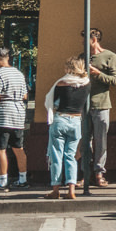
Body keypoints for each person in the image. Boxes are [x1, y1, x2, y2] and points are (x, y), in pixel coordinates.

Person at [43, 56, 89, 200]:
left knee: (56, 155)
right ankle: (71, 190)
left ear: (69, 68)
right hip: (76, 121)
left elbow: (51, 101)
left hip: (61, 119)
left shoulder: (61, 83)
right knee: (71, 156)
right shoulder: (87, 84)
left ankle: (55, 189)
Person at [0, 46, 30, 191]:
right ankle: (22, 179)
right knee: (19, 148)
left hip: (3, 115)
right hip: (18, 114)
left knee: (0, 149)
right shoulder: (19, 74)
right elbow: (25, 96)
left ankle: (2, 181)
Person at [83, 28, 116, 186]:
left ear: (94, 40)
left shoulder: (110, 56)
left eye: (86, 39)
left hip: (101, 104)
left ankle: (99, 173)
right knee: (84, 141)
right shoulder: (82, 56)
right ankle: (84, 173)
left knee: (100, 140)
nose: (83, 43)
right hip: (84, 105)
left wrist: (98, 73)